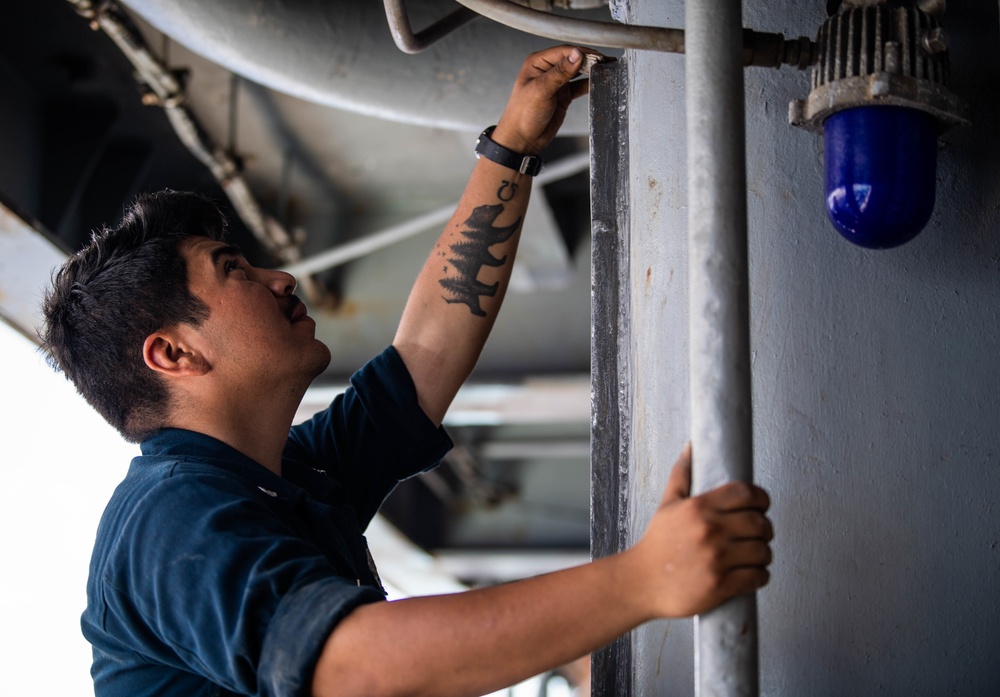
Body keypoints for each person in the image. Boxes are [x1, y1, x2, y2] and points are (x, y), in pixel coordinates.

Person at [41, 46, 773, 697]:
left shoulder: (280, 477)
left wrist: (511, 146)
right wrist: (644, 579)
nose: (283, 277)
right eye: (234, 269)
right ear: (173, 353)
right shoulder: (168, 522)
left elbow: (422, 353)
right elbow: (351, 667)